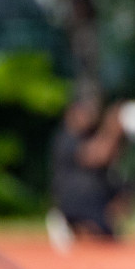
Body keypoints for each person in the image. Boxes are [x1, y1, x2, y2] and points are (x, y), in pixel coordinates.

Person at [48, 97, 127, 247]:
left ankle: (78, 228)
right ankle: (70, 223)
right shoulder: (66, 139)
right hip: (75, 200)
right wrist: (111, 129)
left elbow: (109, 158)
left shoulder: (88, 136)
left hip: (95, 202)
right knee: (102, 240)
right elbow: (97, 156)